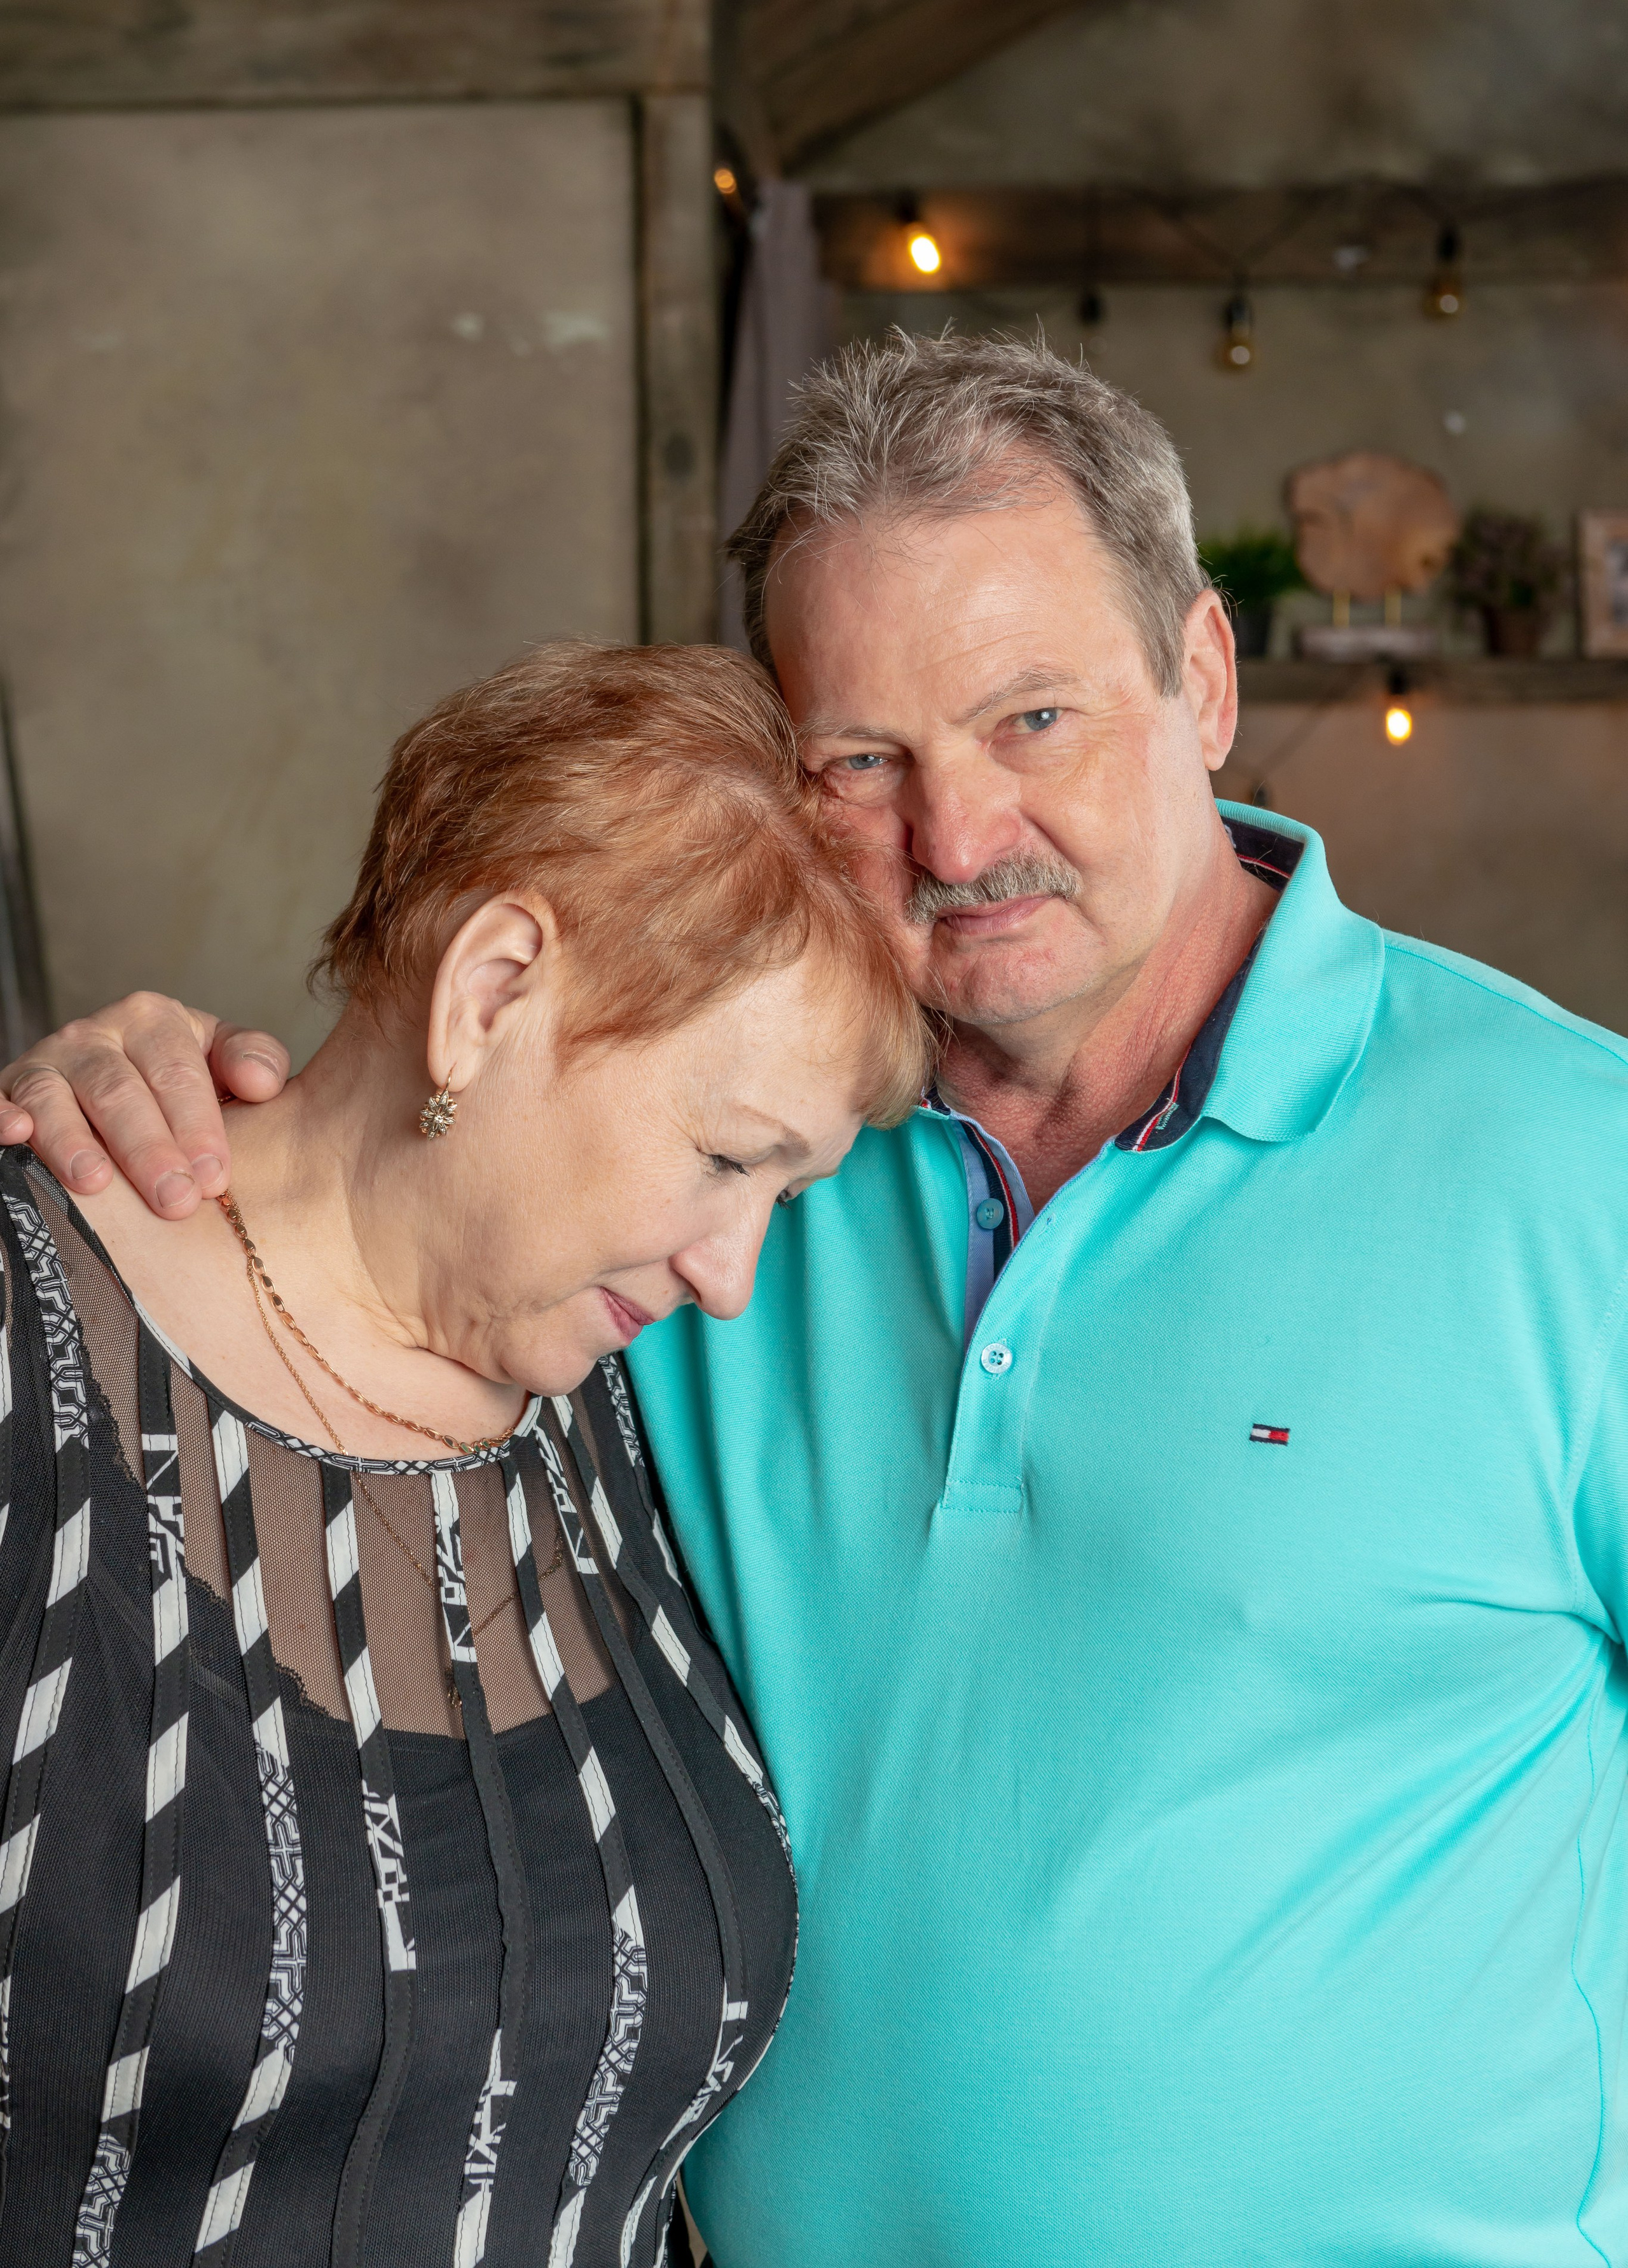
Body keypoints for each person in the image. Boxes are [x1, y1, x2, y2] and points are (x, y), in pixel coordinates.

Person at [11, 332, 1628, 2268]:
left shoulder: (1572, 1166)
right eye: (865, 758)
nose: (955, 839)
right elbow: (394, 1193)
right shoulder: (721, 1185)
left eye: (1033, 717)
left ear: (1200, 675)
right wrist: (131, 1086)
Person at [0, 637, 927, 2268]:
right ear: (491, 990)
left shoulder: (628, 1408)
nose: (732, 1277)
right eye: (725, 1156)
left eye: (782, 1195)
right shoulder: (29, 1340)